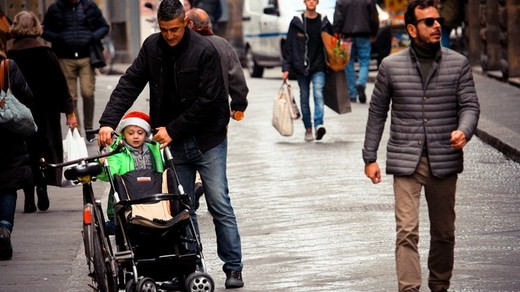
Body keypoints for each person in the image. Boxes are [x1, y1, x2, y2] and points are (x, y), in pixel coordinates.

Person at [96, 0, 244, 288]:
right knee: (177, 206)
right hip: (171, 143)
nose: (169, 35)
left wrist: (173, 130)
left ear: (185, 23)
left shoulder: (205, 50)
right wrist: (108, 121)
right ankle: (188, 265)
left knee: (219, 202)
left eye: (174, 29)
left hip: (207, 139)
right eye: (164, 30)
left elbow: (210, 102)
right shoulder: (152, 47)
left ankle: (233, 267)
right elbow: (130, 82)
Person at [362, 0, 480, 291]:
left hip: (444, 158)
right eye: (429, 22)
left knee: (444, 233)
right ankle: (410, 289)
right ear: (412, 29)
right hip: (406, 160)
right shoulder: (391, 66)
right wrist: (369, 157)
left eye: (437, 20)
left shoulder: (458, 63)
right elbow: (377, 112)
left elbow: (470, 106)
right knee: (406, 232)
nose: (437, 25)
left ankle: (439, 285)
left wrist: (464, 130)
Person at [7, 11, 78, 213]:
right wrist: (70, 113)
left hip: (17, 113)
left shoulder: (10, 56)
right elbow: (61, 84)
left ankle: (28, 194)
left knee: (24, 152)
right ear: (36, 27)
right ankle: (42, 185)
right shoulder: (46, 53)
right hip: (46, 111)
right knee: (42, 150)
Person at [185, 7, 249, 210]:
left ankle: (193, 186)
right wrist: (238, 105)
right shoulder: (223, 44)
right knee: (214, 160)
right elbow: (237, 79)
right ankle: (213, 190)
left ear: (191, 25)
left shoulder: (184, 46)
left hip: (185, 117)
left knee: (187, 154)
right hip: (217, 118)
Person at [42, 0, 109, 141]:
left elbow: (104, 27)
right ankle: (75, 130)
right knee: (71, 96)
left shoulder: (89, 6)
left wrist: (92, 37)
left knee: (88, 92)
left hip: (87, 57)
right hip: (65, 57)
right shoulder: (55, 8)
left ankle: (89, 129)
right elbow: (44, 30)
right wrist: (59, 38)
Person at [97, 111, 164, 234]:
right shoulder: (118, 152)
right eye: (131, 133)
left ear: (146, 134)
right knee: (118, 226)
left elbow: (162, 169)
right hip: (126, 200)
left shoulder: (153, 149)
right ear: (123, 134)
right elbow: (109, 174)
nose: (136, 136)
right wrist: (103, 163)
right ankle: (103, 228)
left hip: (152, 198)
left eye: (140, 133)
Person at [0, 31, 34, 260]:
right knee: (7, 186)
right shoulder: (6, 66)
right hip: (7, 135)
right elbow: (27, 95)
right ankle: (4, 229)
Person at [282, 0, 332, 142]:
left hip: (319, 65)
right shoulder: (297, 22)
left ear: (317, 2)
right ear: (304, 2)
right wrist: (286, 68)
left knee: (318, 94)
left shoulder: (324, 21)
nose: (311, 2)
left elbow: (332, 42)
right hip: (301, 67)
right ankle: (308, 128)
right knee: (304, 98)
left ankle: (318, 125)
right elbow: (289, 46)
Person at [333, 0, 379, 103]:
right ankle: (361, 83)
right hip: (364, 34)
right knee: (364, 61)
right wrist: (374, 32)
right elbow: (374, 17)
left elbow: (338, 18)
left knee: (348, 64)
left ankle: (352, 94)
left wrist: (336, 32)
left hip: (346, 35)